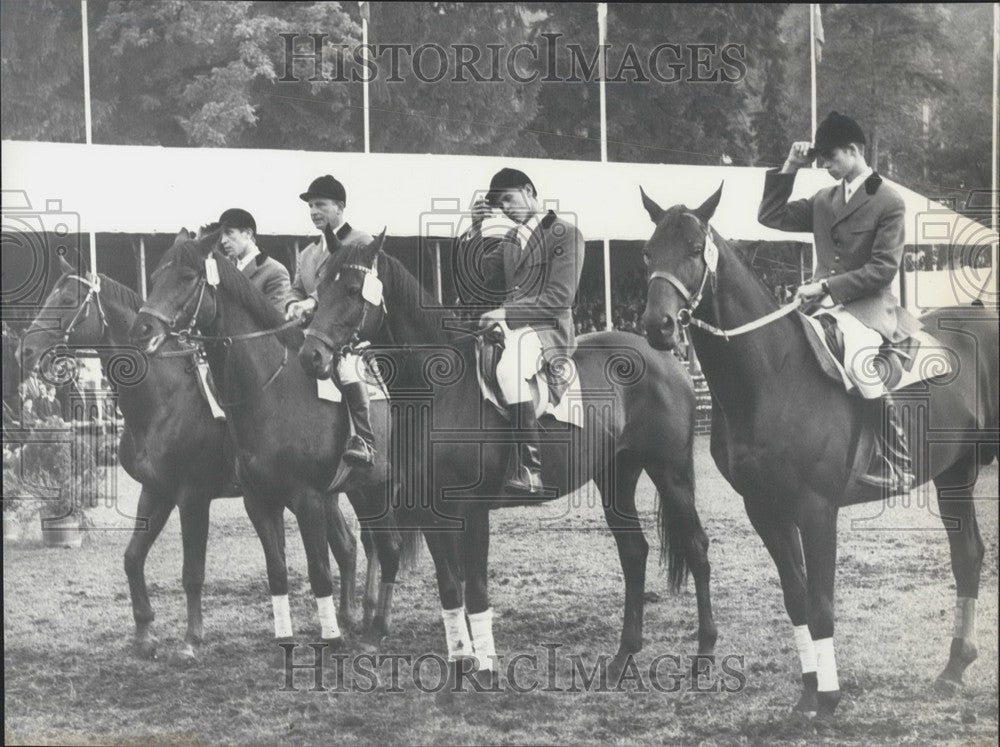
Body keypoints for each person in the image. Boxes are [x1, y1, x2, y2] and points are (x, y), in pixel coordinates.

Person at [758, 111, 921, 493]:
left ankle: (899, 464)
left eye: (830, 158)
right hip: (818, 307)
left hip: (866, 310)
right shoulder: (824, 199)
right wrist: (791, 165)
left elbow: (883, 268)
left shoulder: (888, 199)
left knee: (861, 364)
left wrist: (826, 286)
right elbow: (770, 216)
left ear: (853, 150)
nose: (825, 166)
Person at [468, 168, 585, 495]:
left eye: (509, 198)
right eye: (500, 204)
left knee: (508, 368)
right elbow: (480, 280)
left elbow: (560, 297)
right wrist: (475, 229)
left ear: (529, 191)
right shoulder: (510, 241)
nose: (505, 208)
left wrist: (506, 313)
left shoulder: (564, 233)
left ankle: (530, 469)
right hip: (511, 328)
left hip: (548, 331)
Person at [284, 176, 377, 467]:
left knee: (347, 369)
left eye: (321, 204)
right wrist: (292, 304)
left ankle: (364, 439)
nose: (314, 211)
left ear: (340, 206)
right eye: (311, 206)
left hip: (347, 333)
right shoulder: (307, 253)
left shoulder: (360, 241)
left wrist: (312, 301)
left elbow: (345, 286)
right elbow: (295, 288)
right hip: (313, 334)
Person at [217, 208, 293, 313]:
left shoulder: (275, 272)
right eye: (221, 235)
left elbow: (275, 319)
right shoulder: (223, 267)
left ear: (248, 234)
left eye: (229, 233)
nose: (223, 240)